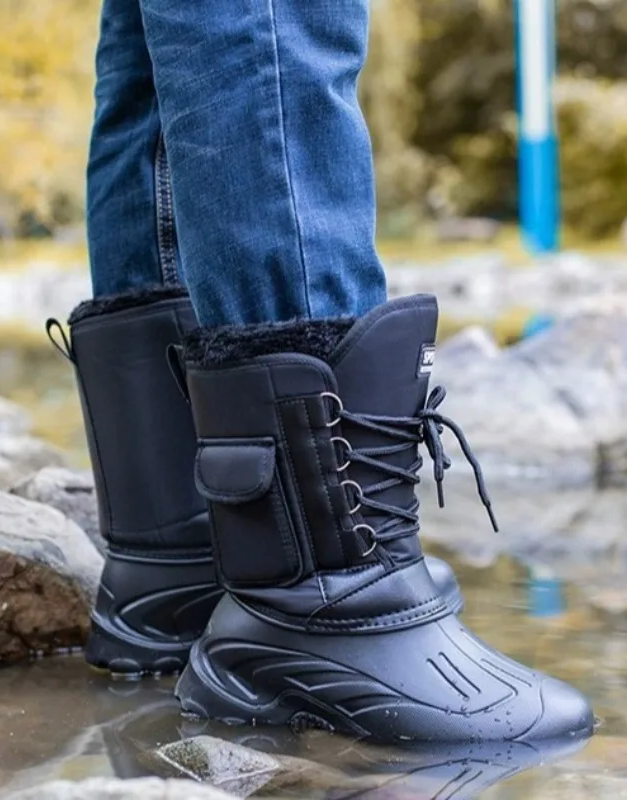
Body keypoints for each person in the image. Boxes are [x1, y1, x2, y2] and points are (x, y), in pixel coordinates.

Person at [50, 0, 593, 744]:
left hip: (182, 571)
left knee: (164, 39)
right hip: (322, 602)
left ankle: (183, 567)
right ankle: (329, 602)